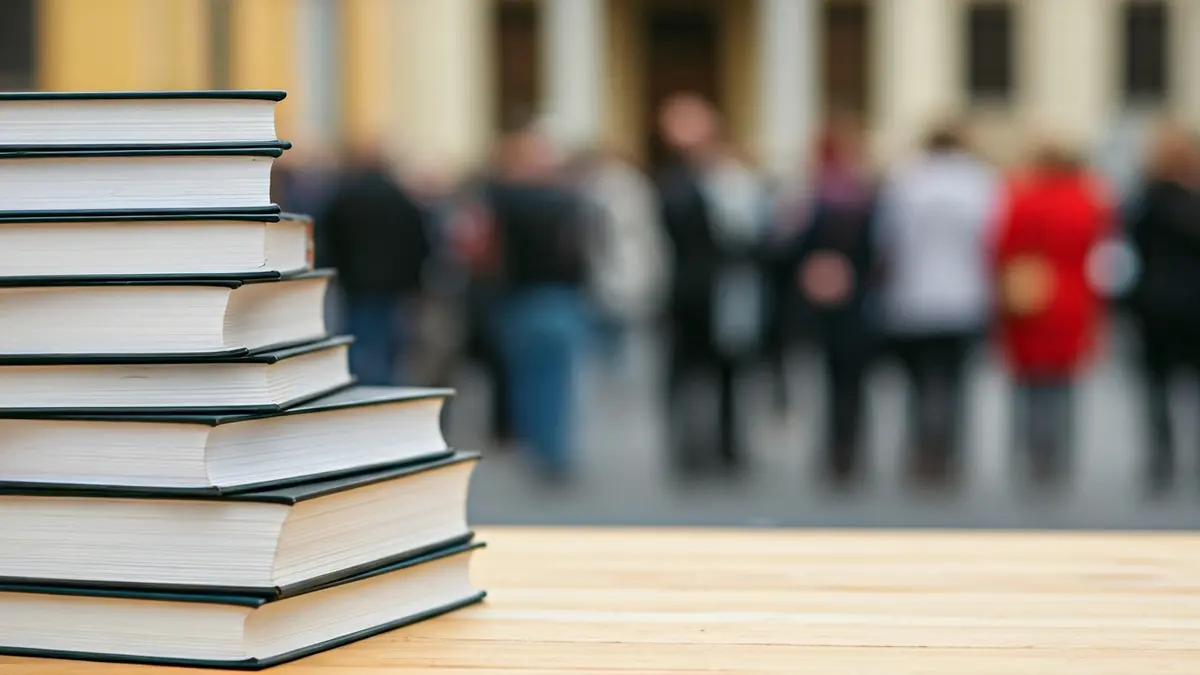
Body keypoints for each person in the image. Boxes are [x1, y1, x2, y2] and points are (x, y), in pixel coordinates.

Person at [465, 123, 594, 481]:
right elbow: (580, 251)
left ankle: (540, 447)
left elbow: (484, 250)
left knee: (527, 379)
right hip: (558, 297)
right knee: (557, 381)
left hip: (520, 298)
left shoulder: (501, 199)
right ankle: (554, 450)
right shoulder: (568, 199)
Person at [874, 121, 999, 487]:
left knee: (918, 383)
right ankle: (951, 453)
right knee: (956, 383)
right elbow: (991, 238)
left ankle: (922, 450)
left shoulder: (906, 181)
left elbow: (887, 240)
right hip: (964, 297)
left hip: (912, 297)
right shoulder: (978, 182)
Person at [656, 93, 769, 475]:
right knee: (687, 375)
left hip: (719, 291)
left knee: (727, 373)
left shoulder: (726, 178)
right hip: (686, 293)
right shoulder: (676, 178)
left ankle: (727, 447)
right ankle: (691, 449)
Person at [992, 137, 1112, 489]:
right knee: (1063, 384)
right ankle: (1059, 454)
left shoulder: (1023, 198)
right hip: (1073, 299)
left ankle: (1031, 453)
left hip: (1029, 295)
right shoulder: (1086, 200)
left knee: (1029, 384)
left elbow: (1003, 245)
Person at [780, 116, 880, 486]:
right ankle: (849, 450)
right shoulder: (864, 194)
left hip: (822, 300)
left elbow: (790, 246)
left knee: (828, 378)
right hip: (854, 298)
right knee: (851, 382)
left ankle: (834, 451)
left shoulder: (812, 196)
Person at [319, 141, 432, 386]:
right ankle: (383, 400)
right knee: (389, 349)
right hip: (393, 289)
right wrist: (415, 283)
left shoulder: (345, 196)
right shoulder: (400, 198)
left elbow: (328, 239)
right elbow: (419, 244)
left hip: (356, 286)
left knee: (358, 346)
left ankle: (361, 398)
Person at [1126, 121, 1200, 495]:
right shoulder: (1190, 201)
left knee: (1157, 389)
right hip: (1192, 304)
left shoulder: (1146, 199)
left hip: (1155, 303)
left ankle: (1162, 457)